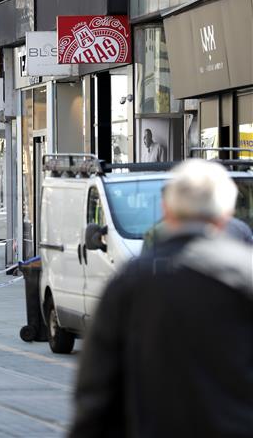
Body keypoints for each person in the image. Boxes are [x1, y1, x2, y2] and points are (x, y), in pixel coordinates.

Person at [69, 159, 253, 437]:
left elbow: (97, 386)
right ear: (226, 213)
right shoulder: (246, 276)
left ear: (167, 209)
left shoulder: (132, 282)